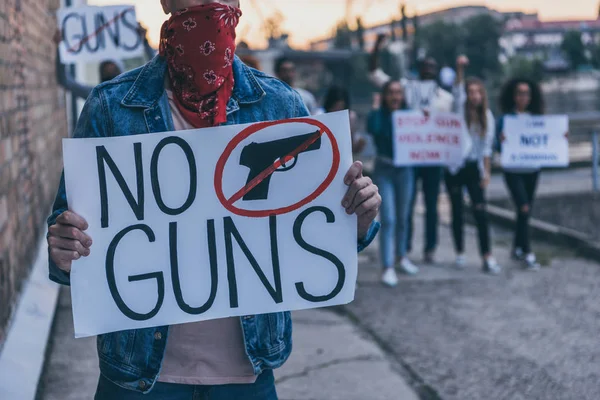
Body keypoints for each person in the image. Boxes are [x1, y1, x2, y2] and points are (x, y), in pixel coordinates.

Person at [46, 1, 382, 399]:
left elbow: (316, 231)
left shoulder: (279, 105)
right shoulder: (110, 107)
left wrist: (357, 218)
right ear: (168, 3)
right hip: (139, 374)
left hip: (247, 373)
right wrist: (65, 247)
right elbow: (66, 237)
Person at [369, 33, 452, 264]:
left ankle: (429, 248)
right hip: (407, 159)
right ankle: (403, 250)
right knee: (406, 207)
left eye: (432, 67)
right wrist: (376, 47)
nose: (429, 69)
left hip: (432, 157)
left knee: (431, 204)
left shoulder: (445, 98)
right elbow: (375, 74)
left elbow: (450, 128)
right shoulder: (403, 88)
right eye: (425, 66)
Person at [446, 56, 501, 274]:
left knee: (481, 212)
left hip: (472, 168)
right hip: (454, 167)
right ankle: (460, 251)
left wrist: (486, 172)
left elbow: (487, 148)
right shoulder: (458, 110)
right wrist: (459, 69)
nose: (475, 96)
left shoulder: (487, 117)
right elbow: (457, 90)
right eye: (472, 92)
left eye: (479, 92)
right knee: (457, 210)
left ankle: (487, 256)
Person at [367, 80, 419, 286]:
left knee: (404, 216)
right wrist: (377, 107)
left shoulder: (411, 116)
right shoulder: (377, 116)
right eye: (391, 93)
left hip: (405, 170)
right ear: (384, 96)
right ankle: (387, 266)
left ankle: (401, 257)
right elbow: (374, 129)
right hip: (385, 169)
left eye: (398, 93)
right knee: (388, 218)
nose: (395, 97)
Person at [496, 77, 545, 271]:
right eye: (519, 93)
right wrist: (501, 141)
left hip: (532, 170)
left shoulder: (537, 119)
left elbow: (548, 140)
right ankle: (527, 252)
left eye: (526, 93)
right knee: (524, 208)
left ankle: (516, 247)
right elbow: (496, 146)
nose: (523, 97)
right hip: (513, 170)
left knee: (524, 211)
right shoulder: (505, 120)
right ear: (513, 96)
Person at [53, 24, 156, 100]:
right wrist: (61, 48)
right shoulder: (96, 93)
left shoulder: (134, 91)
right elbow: (65, 80)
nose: (109, 69)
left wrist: (145, 42)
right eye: (106, 68)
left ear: (121, 70)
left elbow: (154, 71)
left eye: (113, 67)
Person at [322, 85, 365, 155]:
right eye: (335, 107)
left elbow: (352, 147)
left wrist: (360, 144)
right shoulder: (320, 114)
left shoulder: (351, 117)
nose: (338, 111)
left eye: (341, 108)